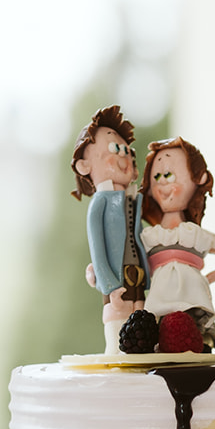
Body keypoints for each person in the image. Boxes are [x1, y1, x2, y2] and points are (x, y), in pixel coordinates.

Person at [136, 137, 215, 353]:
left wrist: (206, 281)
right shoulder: (150, 235)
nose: (163, 183)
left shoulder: (194, 234)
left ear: (198, 179)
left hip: (192, 294)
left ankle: (196, 342)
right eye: (157, 177)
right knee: (161, 328)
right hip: (158, 293)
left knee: (189, 327)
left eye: (169, 175)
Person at [70, 106, 149, 354]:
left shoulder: (134, 200)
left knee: (140, 311)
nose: (124, 156)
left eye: (127, 150)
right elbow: (98, 249)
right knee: (117, 315)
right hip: (116, 278)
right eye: (115, 149)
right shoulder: (99, 203)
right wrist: (109, 285)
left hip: (137, 273)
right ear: (84, 166)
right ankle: (115, 353)